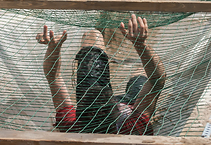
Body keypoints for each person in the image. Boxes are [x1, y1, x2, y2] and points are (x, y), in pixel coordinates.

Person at [37, 13, 166, 136]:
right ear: (116, 109)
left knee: (93, 35)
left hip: (95, 103)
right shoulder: (131, 128)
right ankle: (135, 80)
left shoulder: (72, 125)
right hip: (130, 104)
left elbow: (53, 77)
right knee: (141, 74)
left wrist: (53, 49)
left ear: (79, 112)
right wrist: (140, 45)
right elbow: (157, 79)